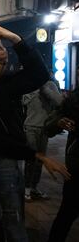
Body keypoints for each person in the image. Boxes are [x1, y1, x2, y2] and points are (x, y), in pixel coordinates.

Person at [0, 26, 70, 242]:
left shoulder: (6, 84)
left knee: (13, 225)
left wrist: (14, 38)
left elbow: (39, 74)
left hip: (6, 165)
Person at [45, 90, 78, 242]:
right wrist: (59, 122)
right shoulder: (75, 98)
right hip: (76, 170)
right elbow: (49, 125)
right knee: (66, 215)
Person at [23, 79, 63, 201]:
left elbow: (59, 102)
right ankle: (26, 189)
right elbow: (23, 102)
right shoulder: (28, 83)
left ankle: (34, 187)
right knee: (31, 159)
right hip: (30, 126)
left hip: (44, 127)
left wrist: (45, 89)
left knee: (40, 160)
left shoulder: (50, 84)